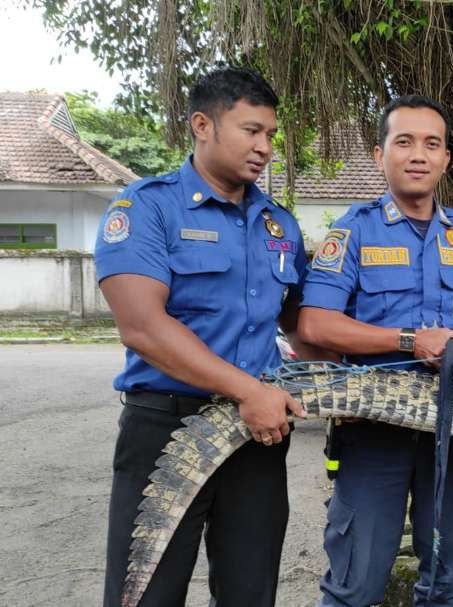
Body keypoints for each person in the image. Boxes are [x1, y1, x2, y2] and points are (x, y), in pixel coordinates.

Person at [96, 66, 321, 607]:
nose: (264, 147)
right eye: (251, 130)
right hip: (166, 426)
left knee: (250, 591)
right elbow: (144, 327)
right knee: (145, 593)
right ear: (202, 124)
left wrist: (387, 371)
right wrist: (249, 391)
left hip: (257, 439)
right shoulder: (147, 208)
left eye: (270, 134)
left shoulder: (279, 225)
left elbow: (303, 328)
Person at [298, 95, 453, 607]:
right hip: (376, 429)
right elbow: (314, 323)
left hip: (452, 428)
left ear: (446, 159)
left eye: (432, 144)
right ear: (380, 156)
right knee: (357, 581)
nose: (418, 154)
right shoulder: (354, 230)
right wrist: (407, 341)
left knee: (447, 576)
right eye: (404, 142)